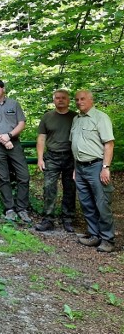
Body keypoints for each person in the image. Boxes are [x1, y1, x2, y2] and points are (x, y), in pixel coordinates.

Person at [70, 90, 115, 253]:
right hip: (80, 167)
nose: (79, 102)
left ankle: (108, 239)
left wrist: (105, 168)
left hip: (96, 166)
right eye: (76, 99)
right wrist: (76, 168)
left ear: (91, 100)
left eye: (82, 99)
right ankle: (94, 235)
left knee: (102, 203)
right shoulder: (76, 119)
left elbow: (109, 144)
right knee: (86, 203)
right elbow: (76, 145)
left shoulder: (100, 117)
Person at [0, 79, 31, 223]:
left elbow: (21, 123)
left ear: (3, 89)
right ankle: (9, 208)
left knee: (24, 175)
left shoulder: (14, 104)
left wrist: (9, 136)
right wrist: (2, 139)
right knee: (3, 177)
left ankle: (22, 208)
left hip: (14, 143)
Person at [35, 89, 77, 232]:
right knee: (49, 188)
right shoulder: (47, 117)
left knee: (70, 188)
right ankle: (48, 219)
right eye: (57, 98)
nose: (60, 100)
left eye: (63, 98)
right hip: (52, 156)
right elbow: (41, 138)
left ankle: (68, 218)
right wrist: (40, 158)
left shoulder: (75, 117)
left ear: (68, 100)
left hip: (70, 157)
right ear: (54, 100)